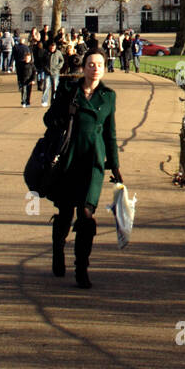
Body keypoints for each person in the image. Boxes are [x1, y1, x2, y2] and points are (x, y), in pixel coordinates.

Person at [43, 49, 122, 289]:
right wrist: (64, 115)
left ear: (104, 69)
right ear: (84, 67)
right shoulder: (69, 91)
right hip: (68, 158)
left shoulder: (108, 96)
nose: (95, 68)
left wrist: (115, 165)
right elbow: (48, 120)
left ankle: (81, 267)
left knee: (87, 215)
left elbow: (110, 133)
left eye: (99, 64)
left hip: (93, 161)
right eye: (91, 64)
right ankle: (58, 248)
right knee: (66, 212)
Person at [13, 34, 35, 107]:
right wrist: (19, 80)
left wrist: (33, 79)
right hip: (23, 79)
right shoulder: (21, 64)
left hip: (30, 79)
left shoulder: (32, 65)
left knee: (29, 91)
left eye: (28, 58)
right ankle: (23, 101)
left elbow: (34, 72)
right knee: (24, 91)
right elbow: (19, 72)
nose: (27, 59)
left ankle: (28, 101)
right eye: (26, 58)